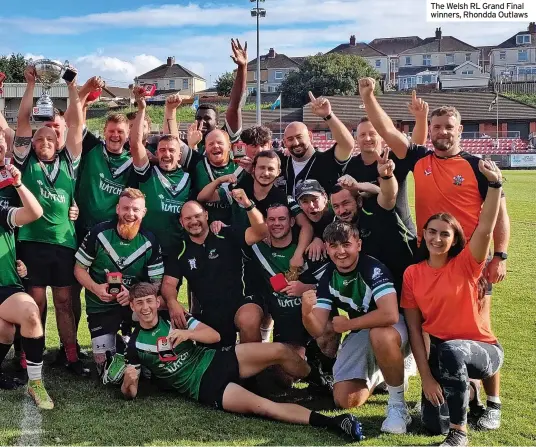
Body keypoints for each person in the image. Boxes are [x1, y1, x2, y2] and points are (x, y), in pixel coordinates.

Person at [120, 281, 364, 441]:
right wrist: (129, 384)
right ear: (131, 305)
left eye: (149, 301)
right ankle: (334, 422)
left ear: (157, 302)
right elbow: (131, 392)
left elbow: (213, 336)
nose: (145, 308)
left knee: (280, 350)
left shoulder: (174, 317)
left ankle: (318, 380)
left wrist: (187, 333)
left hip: (217, 359)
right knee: (267, 408)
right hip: (205, 387)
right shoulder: (135, 344)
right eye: (139, 303)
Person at [358, 77, 510, 316]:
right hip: (428, 251)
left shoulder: (478, 167)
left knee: (476, 321)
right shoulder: (419, 159)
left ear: (459, 130)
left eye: (449, 127)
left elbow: (500, 215)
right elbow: (386, 129)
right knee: (429, 319)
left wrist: (500, 255)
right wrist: (368, 97)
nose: (443, 132)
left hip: (471, 256)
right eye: (437, 127)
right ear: (430, 130)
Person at [401, 160, 505, 446]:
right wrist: (426, 379)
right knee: (431, 424)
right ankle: (468, 395)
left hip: (484, 353)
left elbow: (484, 229)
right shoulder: (412, 274)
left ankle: (459, 433)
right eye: (431, 232)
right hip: (442, 359)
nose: (436, 238)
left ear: (455, 238)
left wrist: (494, 185)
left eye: (445, 233)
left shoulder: (466, 265)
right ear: (424, 235)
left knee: (451, 350)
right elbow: (414, 330)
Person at [302, 221, 411, 434]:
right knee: (345, 399)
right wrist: (306, 312)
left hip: (394, 327)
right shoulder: (328, 276)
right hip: (363, 329)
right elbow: (317, 329)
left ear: (358, 245)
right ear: (326, 248)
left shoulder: (372, 268)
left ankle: (398, 405)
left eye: (346, 244)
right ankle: (383, 374)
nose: (340, 251)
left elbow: (389, 314)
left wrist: (349, 324)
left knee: (381, 334)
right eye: (334, 246)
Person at [13, 64, 87, 375]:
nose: (44, 142)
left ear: (58, 142)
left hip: (63, 242)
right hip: (32, 241)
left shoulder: (69, 162)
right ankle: (31, 355)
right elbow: (21, 120)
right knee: (35, 301)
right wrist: (30, 85)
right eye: (39, 139)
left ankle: (70, 355)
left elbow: (75, 122)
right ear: (31, 143)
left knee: (65, 301)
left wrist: (72, 87)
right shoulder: (25, 158)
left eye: (50, 139)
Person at [73, 188, 163, 374]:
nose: (130, 214)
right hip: (101, 307)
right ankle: (122, 345)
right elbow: (79, 269)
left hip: (133, 307)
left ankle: (131, 342)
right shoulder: (99, 233)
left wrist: (132, 295)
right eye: (126, 208)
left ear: (144, 212)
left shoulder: (150, 240)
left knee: (148, 370)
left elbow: (156, 283)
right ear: (117, 209)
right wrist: (96, 288)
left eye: (136, 209)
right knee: (106, 371)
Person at [161, 193, 267, 349]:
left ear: (206, 215)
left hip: (241, 301)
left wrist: (248, 204)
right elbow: (169, 284)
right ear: (181, 222)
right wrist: (172, 302)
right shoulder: (179, 250)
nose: (194, 221)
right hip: (210, 312)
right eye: (188, 218)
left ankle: (255, 370)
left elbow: (261, 232)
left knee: (248, 319)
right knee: (220, 363)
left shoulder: (226, 233)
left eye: (197, 216)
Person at [197, 150, 313, 267]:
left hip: (265, 258)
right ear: (253, 169)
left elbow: (306, 225)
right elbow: (203, 197)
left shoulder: (284, 198)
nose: (265, 173)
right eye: (261, 168)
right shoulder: (240, 189)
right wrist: (219, 180)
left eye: (271, 169)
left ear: (278, 172)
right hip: (236, 253)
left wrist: (298, 254)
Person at [0, 163, 55, 408]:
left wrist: (19, 184)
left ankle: (35, 384)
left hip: (5, 286)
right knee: (4, 330)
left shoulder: (0, 210)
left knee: (30, 314)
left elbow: (34, 213)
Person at [346, 91, 430, 235]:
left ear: (382, 136)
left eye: (372, 134)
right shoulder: (351, 166)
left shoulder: (394, 159)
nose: (367, 138)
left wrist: (421, 118)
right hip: (368, 235)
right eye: (362, 135)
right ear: (356, 139)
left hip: (401, 233)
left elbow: (415, 148)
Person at [331, 154, 416, 295]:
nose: (341, 210)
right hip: (375, 287)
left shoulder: (374, 210)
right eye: (336, 206)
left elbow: (388, 194)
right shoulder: (338, 224)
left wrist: (384, 177)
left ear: (358, 202)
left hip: (404, 280)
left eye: (346, 203)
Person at [129, 87, 192, 258]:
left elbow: (174, 140)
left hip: (175, 252)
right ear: (156, 153)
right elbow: (135, 145)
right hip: (144, 249)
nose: (167, 153)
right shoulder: (148, 173)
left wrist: (171, 112)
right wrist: (142, 109)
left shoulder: (188, 178)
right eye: (162, 150)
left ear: (180, 155)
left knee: (170, 286)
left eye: (171, 150)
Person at [275, 92, 355, 197]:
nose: (296, 143)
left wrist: (328, 115)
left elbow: (347, 145)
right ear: (284, 143)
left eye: (299, 137)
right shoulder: (280, 162)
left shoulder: (326, 160)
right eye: (290, 139)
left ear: (310, 136)